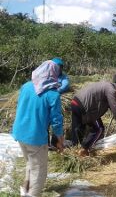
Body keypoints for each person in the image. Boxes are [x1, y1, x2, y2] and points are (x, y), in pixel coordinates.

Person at [12, 61, 64, 197]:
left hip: (19, 132)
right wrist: (60, 140)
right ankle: (32, 195)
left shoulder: (26, 86)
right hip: (35, 137)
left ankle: (25, 189)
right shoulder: (53, 94)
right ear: (54, 74)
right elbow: (57, 122)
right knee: (40, 171)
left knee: (30, 163)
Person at [70, 75, 116, 156]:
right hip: (85, 107)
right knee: (99, 129)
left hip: (76, 102)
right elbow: (115, 108)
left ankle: (73, 152)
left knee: (78, 130)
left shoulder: (106, 86)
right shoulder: (111, 90)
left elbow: (111, 107)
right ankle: (84, 149)